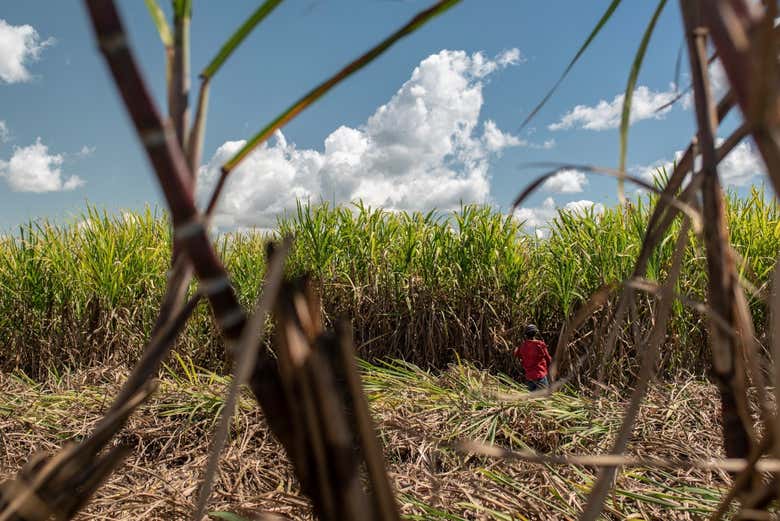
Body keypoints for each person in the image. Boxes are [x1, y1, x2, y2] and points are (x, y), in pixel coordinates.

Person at [513, 324, 552, 391]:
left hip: (529, 377)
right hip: (540, 375)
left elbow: (517, 356)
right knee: (543, 398)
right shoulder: (540, 344)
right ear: (535, 333)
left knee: (532, 399)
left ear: (526, 334)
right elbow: (548, 359)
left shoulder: (523, 346)